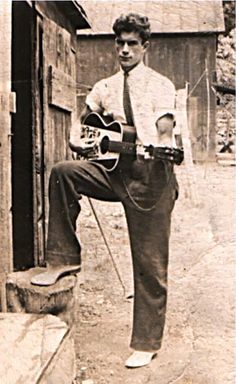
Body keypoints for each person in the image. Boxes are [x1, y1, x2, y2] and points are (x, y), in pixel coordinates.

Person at [31, 13, 181, 368]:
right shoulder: (104, 87)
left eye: (132, 44)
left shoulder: (160, 84)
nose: (125, 50)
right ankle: (64, 259)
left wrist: (162, 146)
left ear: (145, 47)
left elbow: (164, 129)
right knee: (63, 173)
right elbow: (83, 124)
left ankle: (146, 342)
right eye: (120, 43)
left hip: (150, 176)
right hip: (114, 171)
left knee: (149, 263)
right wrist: (79, 140)